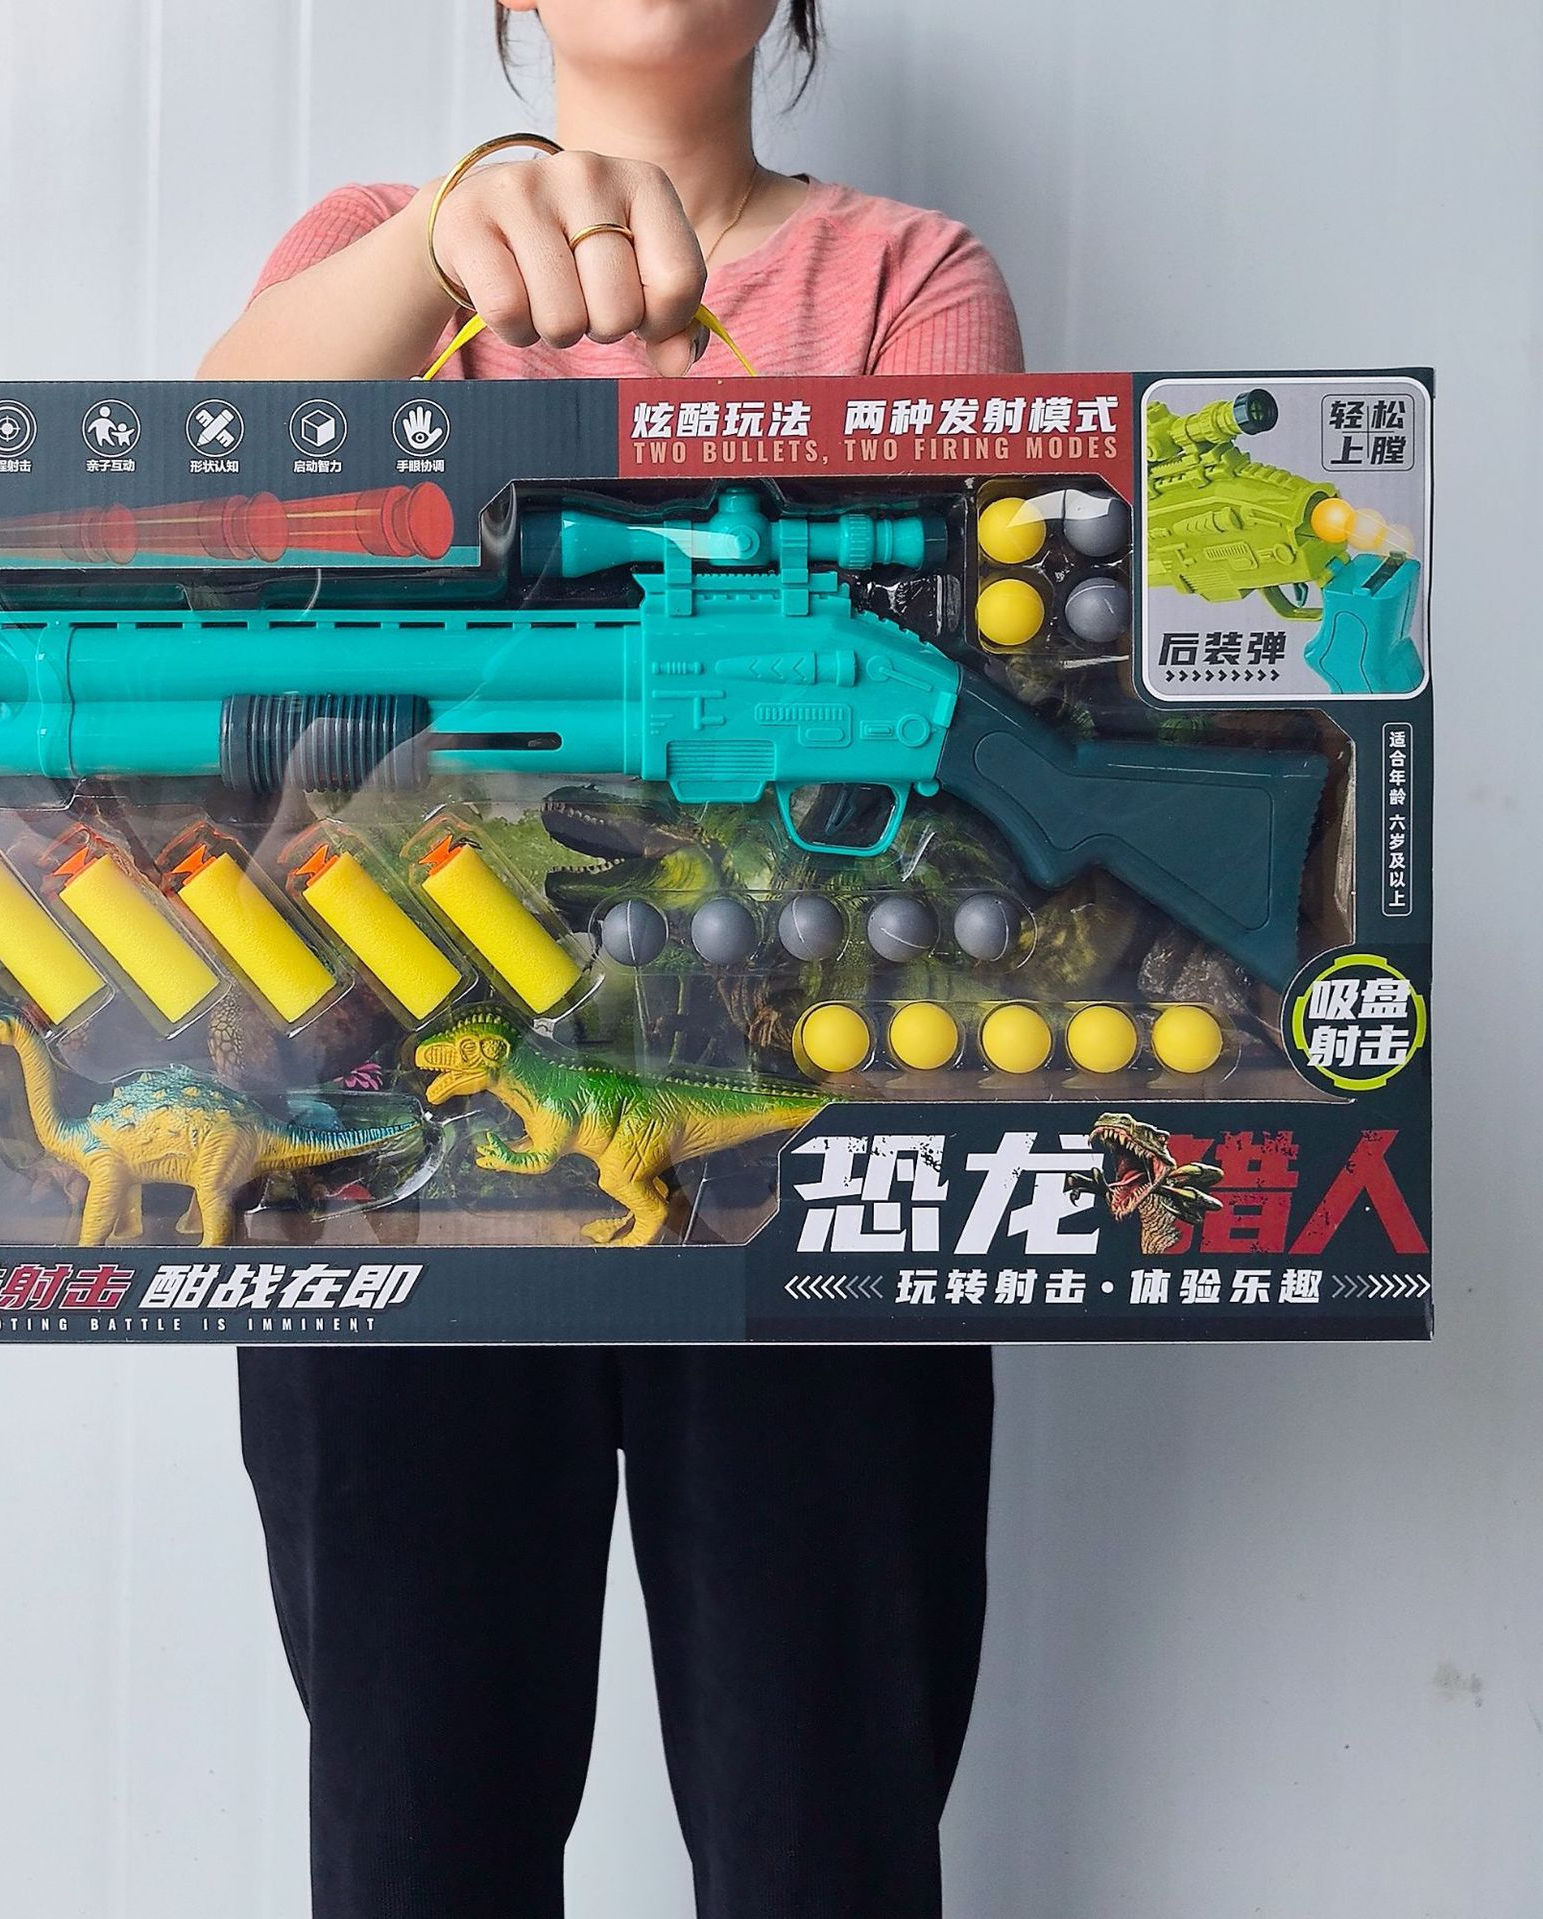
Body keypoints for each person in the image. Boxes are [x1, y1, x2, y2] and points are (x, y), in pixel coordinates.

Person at [202, 5, 1021, 1914]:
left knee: (824, 1833)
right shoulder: (376, 246)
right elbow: (209, 474)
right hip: (405, 1161)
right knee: (417, 1833)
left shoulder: (907, 276)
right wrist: (454, 234)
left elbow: (963, 664)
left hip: (808, 1157)